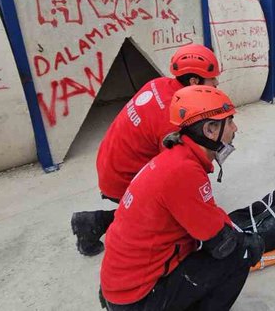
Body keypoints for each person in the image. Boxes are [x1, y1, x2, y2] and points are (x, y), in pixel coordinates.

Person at [100, 86, 263, 310]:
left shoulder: (174, 158)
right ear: (210, 129)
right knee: (241, 252)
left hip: (120, 288)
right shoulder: (184, 172)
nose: (235, 128)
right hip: (137, 299)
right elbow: (220, 244)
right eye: (230, 121)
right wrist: (248, 241)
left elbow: (206, 212)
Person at [71, 44, 221, 256]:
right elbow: (177, 172)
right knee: (173, 217)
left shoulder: (160, 83)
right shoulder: (173, 118)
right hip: (122, 179)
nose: (216, 83)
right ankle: (94, 222)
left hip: (110, 164)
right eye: (212, 79)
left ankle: (99, 219)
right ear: (194, 82)